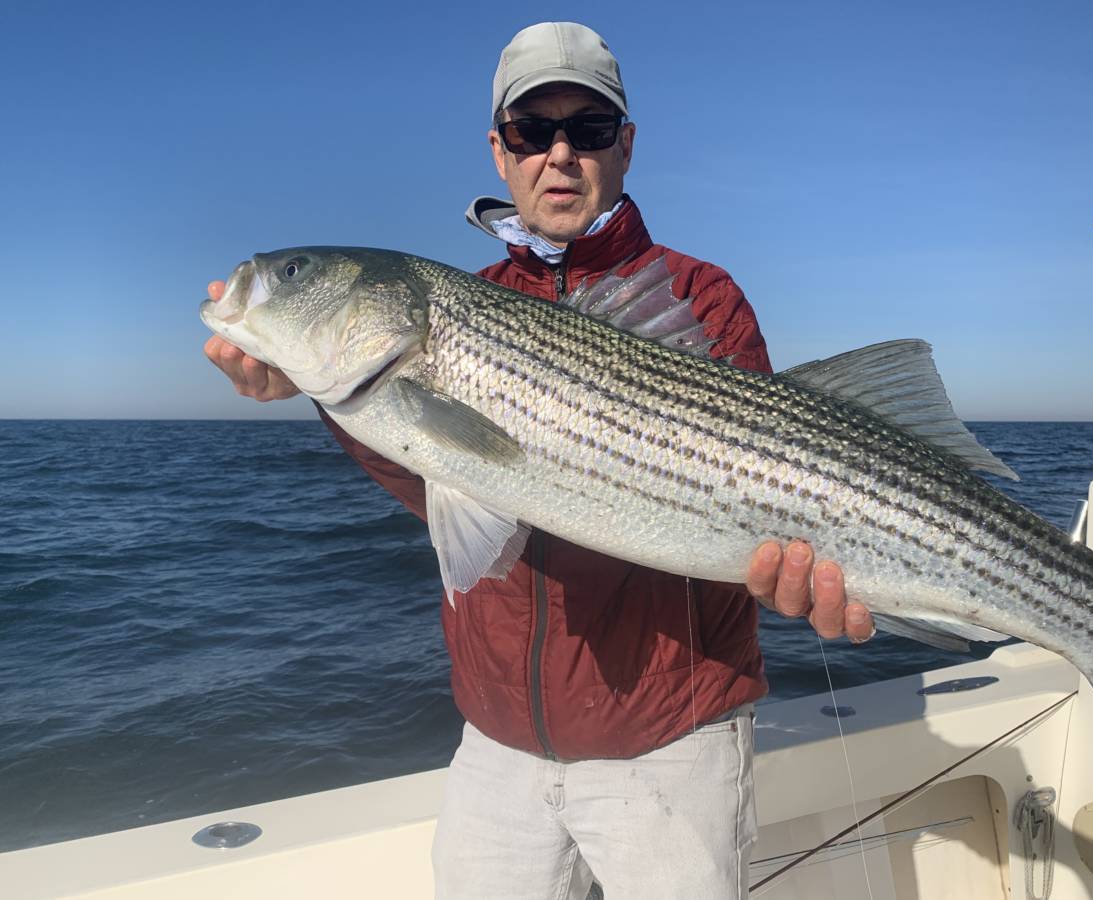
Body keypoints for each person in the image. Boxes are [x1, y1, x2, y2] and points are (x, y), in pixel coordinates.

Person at [203, 21, 874, 899]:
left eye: (588, 130)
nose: (558, 155)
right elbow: (447, 479)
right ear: (499, 151)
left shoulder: (702, 298)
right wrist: (321, 391)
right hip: (500, 741)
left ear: (625, 147)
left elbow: (755, 500)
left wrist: (801, 577)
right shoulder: (467, 304)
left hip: (669, 740)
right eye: (530, 131)